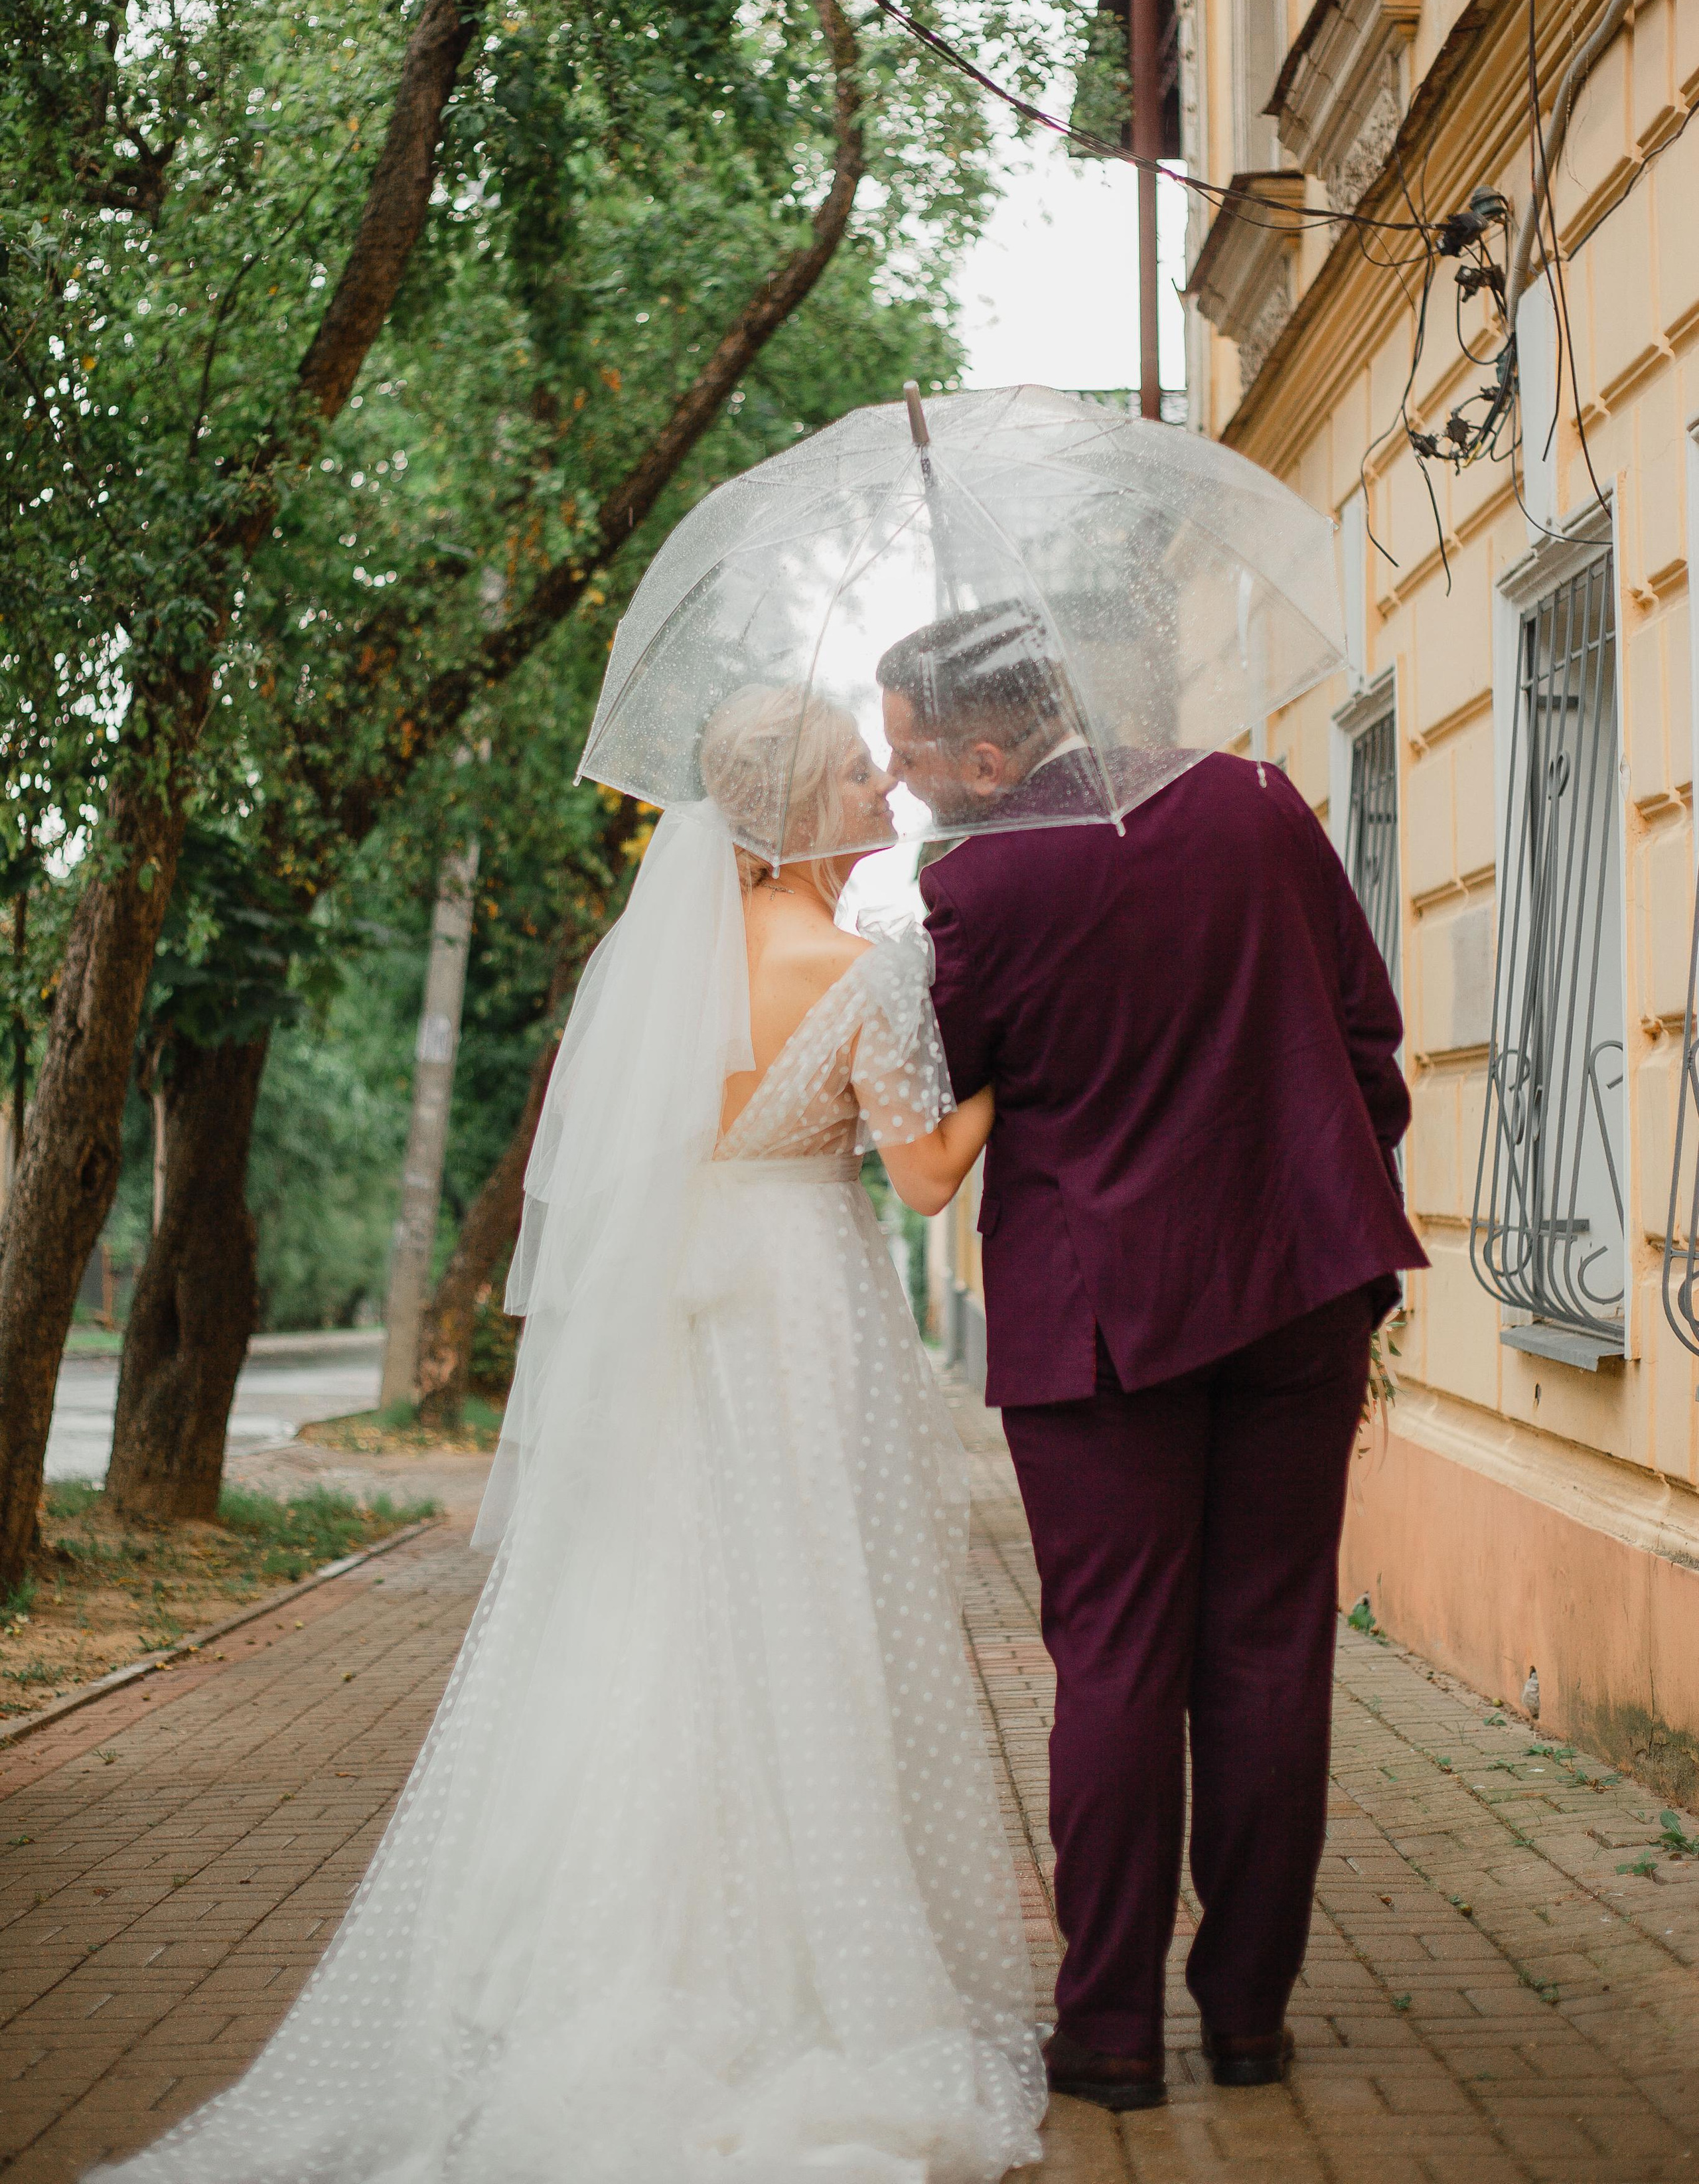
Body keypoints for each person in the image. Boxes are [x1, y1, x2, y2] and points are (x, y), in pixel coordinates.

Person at [92, 685, 1045, 2184]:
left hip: (680, 1310)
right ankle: (794, 1976)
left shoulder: (659, 974)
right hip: (797, 1309)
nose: (883, 783)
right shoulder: (863, 973)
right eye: (857, 771)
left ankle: (602, 1964)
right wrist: (1012, 1074)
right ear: (795, 812)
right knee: (800, 1615)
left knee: (659, 1615)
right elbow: (925, 1180)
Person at [879, 603, 1426, 2114]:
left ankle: (1107, 2034)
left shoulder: (978, 887)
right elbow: (1365, 1040)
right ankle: (1247, 2022)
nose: (901, 779)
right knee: (1267, 1647)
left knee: (1112, 1660)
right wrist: (1310, 1194)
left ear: (990, 751)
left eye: (911, 753)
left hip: (1099, 1323)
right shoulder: (1256, 803)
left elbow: (939, 1096)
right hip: (1297, 1291)